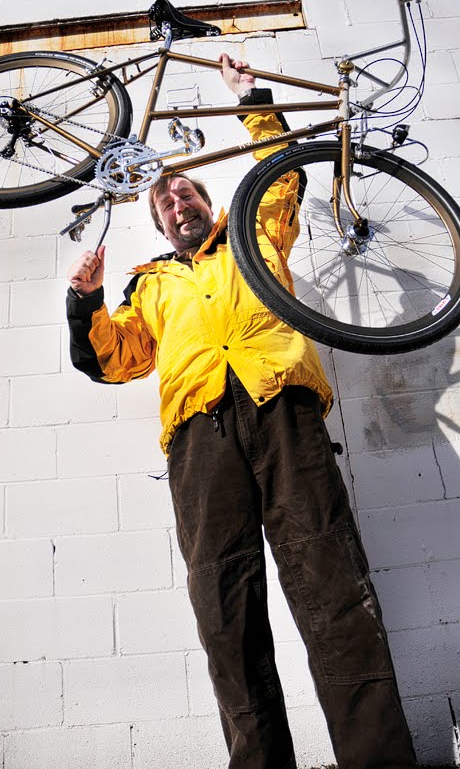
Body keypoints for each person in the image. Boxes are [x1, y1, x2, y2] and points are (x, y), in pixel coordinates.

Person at [66, 54, 418, 769]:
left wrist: (251, 98)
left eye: (186, 193)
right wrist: (86, 302)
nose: (176, 204)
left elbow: (285, 173)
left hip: (281, 409)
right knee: (225, 614)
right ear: (160, 226)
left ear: (206, 201)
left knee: (332, 588)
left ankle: (379, 758)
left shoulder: (256, 237)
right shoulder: (149, 285)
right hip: (199, 439)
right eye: (164, 202)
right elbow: (113, 359)